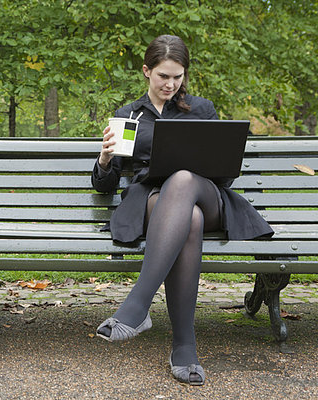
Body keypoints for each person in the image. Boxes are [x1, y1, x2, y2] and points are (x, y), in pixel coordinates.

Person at [91, 34, 273, 386]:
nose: (171, 84)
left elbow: (224, 177)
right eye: (163, 76)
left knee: (185, 179)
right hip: (154, 203)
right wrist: (105, 158)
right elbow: (104, 186)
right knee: (188, 218)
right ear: (147, 72)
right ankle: (184, 348)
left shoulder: (202, 110)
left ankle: (138, 305)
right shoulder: (128, 115)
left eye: (177, 76)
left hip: (208, 195)